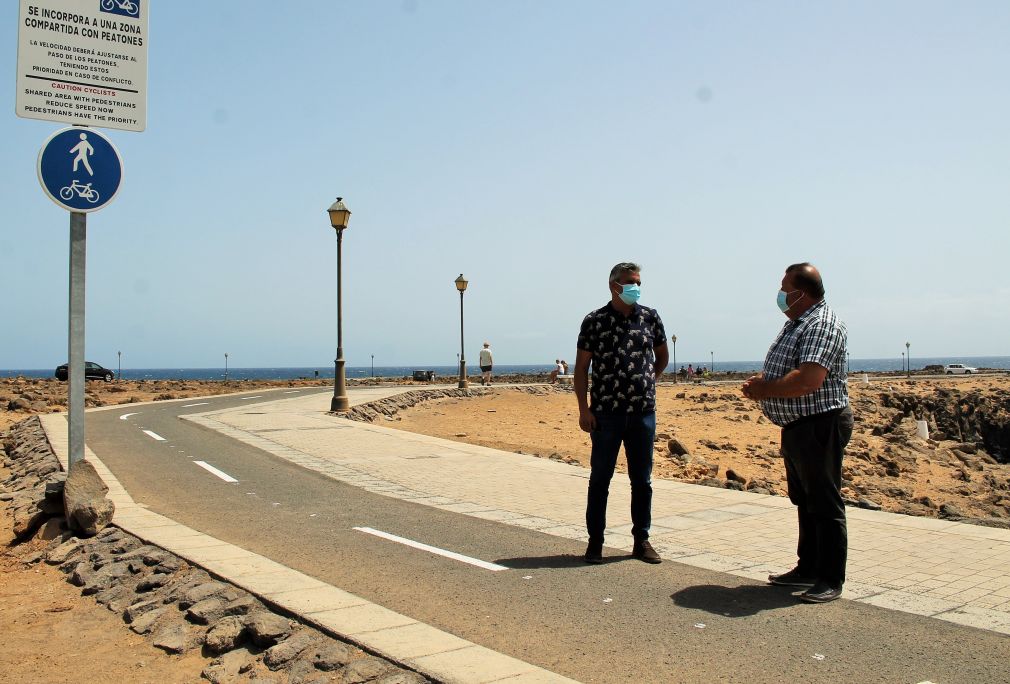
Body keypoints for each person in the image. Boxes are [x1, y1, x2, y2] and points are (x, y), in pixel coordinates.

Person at [742, 262, 852, 604]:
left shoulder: (821, 324)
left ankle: (830, 577)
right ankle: (808, 567)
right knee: (805, 500)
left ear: (800, 293)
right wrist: (763, 386)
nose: (780, 295)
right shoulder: (798, 322)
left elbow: (808, 380)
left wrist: (765, 390)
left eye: (784, 288)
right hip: (799, 426)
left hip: (821, 422)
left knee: (824, 500)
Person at [575, 262, 669, 564]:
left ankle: (641, 540)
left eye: (638, 281)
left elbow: (662, 356)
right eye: (630, 282)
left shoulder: (650, 317)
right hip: (606, 414)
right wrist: (583, 409)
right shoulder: (595, 321)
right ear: (613, 285)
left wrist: (647, 382)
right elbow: (581, 369)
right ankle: (595, 542)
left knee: (642, 480)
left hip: (642, 413)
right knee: (600, 479)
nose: (635, 287)